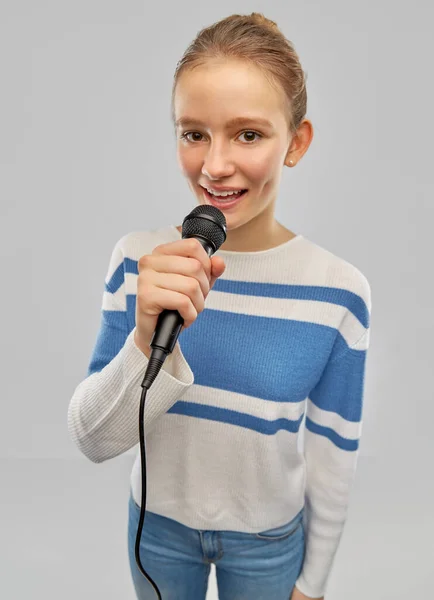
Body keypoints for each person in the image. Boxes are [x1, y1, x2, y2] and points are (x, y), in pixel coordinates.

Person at [67, 12, 371, 600]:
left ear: (297, 143)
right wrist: (143, 338)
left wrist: (313, 583)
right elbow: (92, 439)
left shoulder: (339, 291)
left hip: (268, 543)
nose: (214, 165)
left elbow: (334, 453)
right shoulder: (139, 262)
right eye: (194, 132)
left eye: (249, 134)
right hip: (156, 530)